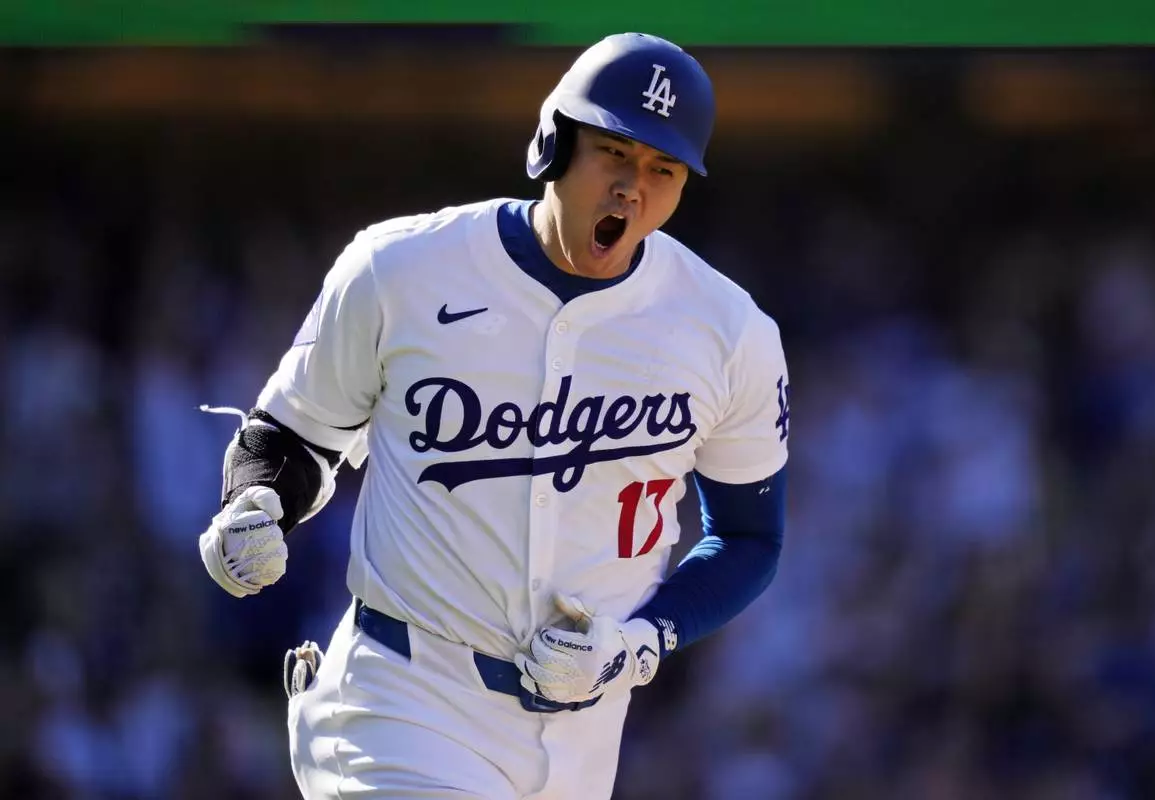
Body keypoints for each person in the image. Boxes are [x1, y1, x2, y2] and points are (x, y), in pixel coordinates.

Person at [198, 32, 790, 799]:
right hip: (402, 698)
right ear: (553, 143)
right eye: (614, 152)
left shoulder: (728, 331)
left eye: (662, 169)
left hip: (583, 734)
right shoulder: (400, 268)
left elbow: (750, 537)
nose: (632, 189)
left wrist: (639, 643)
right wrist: (258, 501)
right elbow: (294, 435)